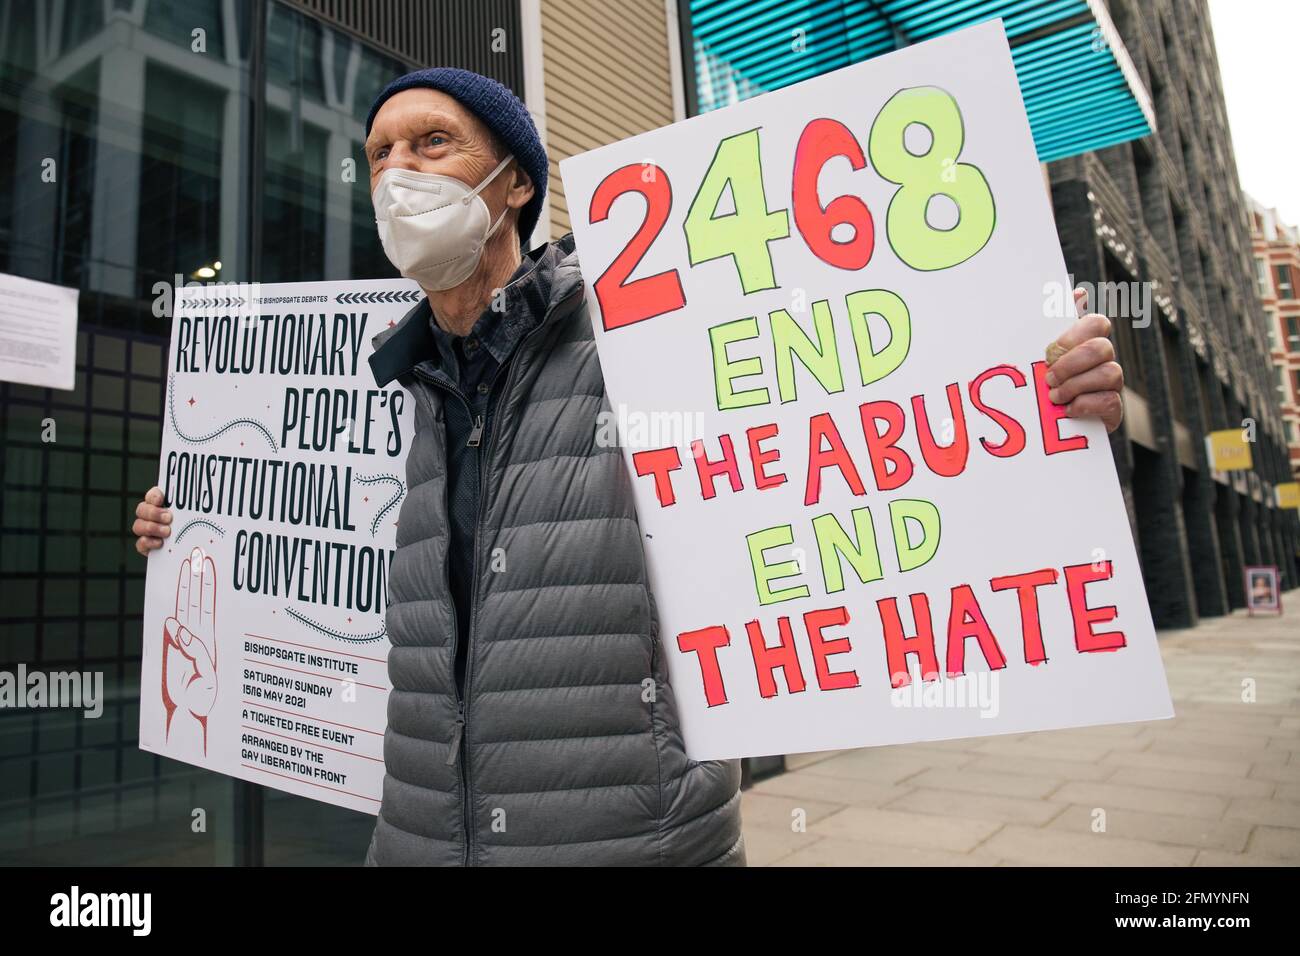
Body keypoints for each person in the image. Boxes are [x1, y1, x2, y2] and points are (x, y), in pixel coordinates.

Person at [131, 68, 1125, 866]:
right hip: (421, 839)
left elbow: (863, 413)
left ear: (514, 180)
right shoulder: (392, 380)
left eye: (432, 142)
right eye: (380, 152)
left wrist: (1044, 395)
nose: (398, 171)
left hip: (634, 841)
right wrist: (195, 528)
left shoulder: (636, 336)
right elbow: (309, 544)